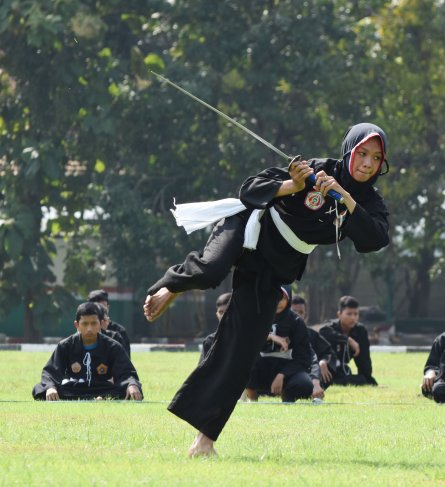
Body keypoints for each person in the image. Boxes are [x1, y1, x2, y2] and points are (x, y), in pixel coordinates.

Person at [143, 123, 390, 457]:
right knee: (211, 271)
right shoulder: (316, 168)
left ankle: (204, 442)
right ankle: (172, 285)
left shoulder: (367, 202)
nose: (367, 163)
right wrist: (295, 183)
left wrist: (344, 198)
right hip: (250, 227)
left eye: (375, 158)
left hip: (273, 269)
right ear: (349, 151)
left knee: (242, 348)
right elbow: (250, 188)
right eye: (362, 154)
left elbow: (375, 238)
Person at [32, 302, 143, 401]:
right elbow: (50, 372)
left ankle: (102, 397)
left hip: (103, 388)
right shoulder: (65, 346)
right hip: (74, 389)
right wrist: (50, 388)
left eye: (94, 323)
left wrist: (131, 384)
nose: (89, 328)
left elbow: (126, 373)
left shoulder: (113, 346)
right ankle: (97, 398)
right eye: (85, 324)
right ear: (77, 325)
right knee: (40, 389)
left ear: (101, 323)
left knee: (129, 389)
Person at [243, 286, 315, 403]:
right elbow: (243, 340)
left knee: (305, 385)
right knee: (243, 365)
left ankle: (287, 398)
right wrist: (269, 336)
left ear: (288, 299)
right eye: (272, 297)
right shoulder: (256, 317)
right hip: (259, 368)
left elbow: (303, 358)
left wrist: (282, 374)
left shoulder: (296, 322)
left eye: (281, 298)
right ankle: (252, 399)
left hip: (287, 369)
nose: (276, 302)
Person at [319, 295, 377, 386]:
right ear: (339, 314)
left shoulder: (360, 331)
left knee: (362, 379)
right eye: (349, 314)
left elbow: (364, 359)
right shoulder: (330, 328)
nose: (353, 318)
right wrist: (347, 340)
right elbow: (322, 331)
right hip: (325, 369)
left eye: (356, 314)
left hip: (342, 371)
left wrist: (368, 379)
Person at [88, 289, 131, 356]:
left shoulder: (118, 331)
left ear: (108, 307)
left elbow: (125, 359)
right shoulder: (85, 330)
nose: (100, 310)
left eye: (103, 306)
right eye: (96, 307)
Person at [199, 292, 232, 364]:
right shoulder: (210, 341)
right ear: (217, 314)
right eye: (221, 312)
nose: (224, 316)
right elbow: (202, 370)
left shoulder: (247, 339)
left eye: (227, 312)